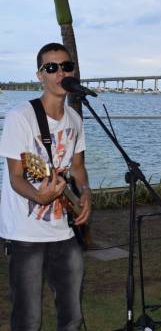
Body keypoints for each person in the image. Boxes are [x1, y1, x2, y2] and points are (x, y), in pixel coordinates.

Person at [0, 42, 91, 331]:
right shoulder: (20, 118)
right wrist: (39, 196)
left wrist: (86, 195)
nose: (59, 73)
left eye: (66, 66)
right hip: (25, 232)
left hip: (65, 229)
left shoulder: (75, 119)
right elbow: (17, 176)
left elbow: (77, 168)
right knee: (28, 319)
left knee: (72, 316)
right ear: (40, 75)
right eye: (51, 68)